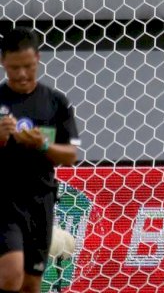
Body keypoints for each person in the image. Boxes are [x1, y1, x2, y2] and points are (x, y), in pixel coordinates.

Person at [0, 27, 80, 293]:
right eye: (14, 68)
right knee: (10, 275)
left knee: (32, 284)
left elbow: (71, 155)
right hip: (4, 200)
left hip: (39, 199)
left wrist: (42, 144)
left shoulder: (56, 102)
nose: (21, 74)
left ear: (38, 58)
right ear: (3, 63)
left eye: (27, 66)